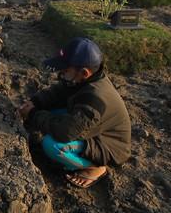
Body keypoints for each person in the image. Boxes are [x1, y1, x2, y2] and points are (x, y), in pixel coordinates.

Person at [18, 37, 131, 189]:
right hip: (90, 126)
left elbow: (65, 133)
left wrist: (33, 114)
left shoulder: (95, 99)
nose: (60, 73)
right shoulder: (82, 80)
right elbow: (58, 92)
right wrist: (35, 102)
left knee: (52, 145)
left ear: (84, 72)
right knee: (48, 110)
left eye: (65, 70)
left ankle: (95, 167)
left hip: (108, 145)